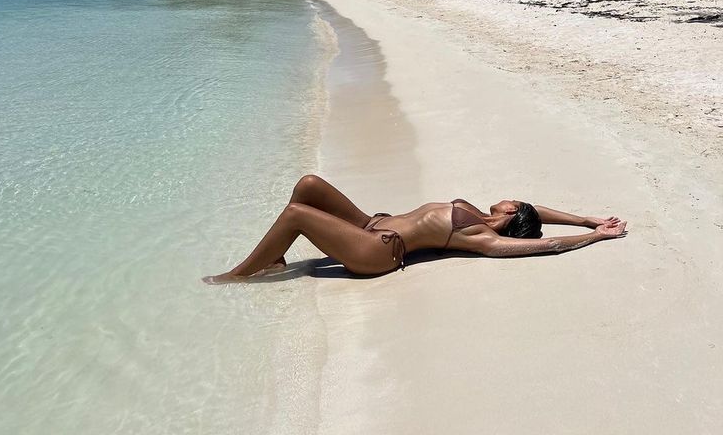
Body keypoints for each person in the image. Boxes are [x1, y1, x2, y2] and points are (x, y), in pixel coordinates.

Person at [202, 174, 627, 284]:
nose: (507, 194)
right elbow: (542, 212)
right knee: (309, 185)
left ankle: (238, 275)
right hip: (371, 224)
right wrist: (588, 216)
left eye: (514, 200)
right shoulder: (480, 213)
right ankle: (274, 259)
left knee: (296, 213)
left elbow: (546, 243)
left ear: (514, 212)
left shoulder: (482, 237)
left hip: (379, 251)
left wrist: (593, 237)